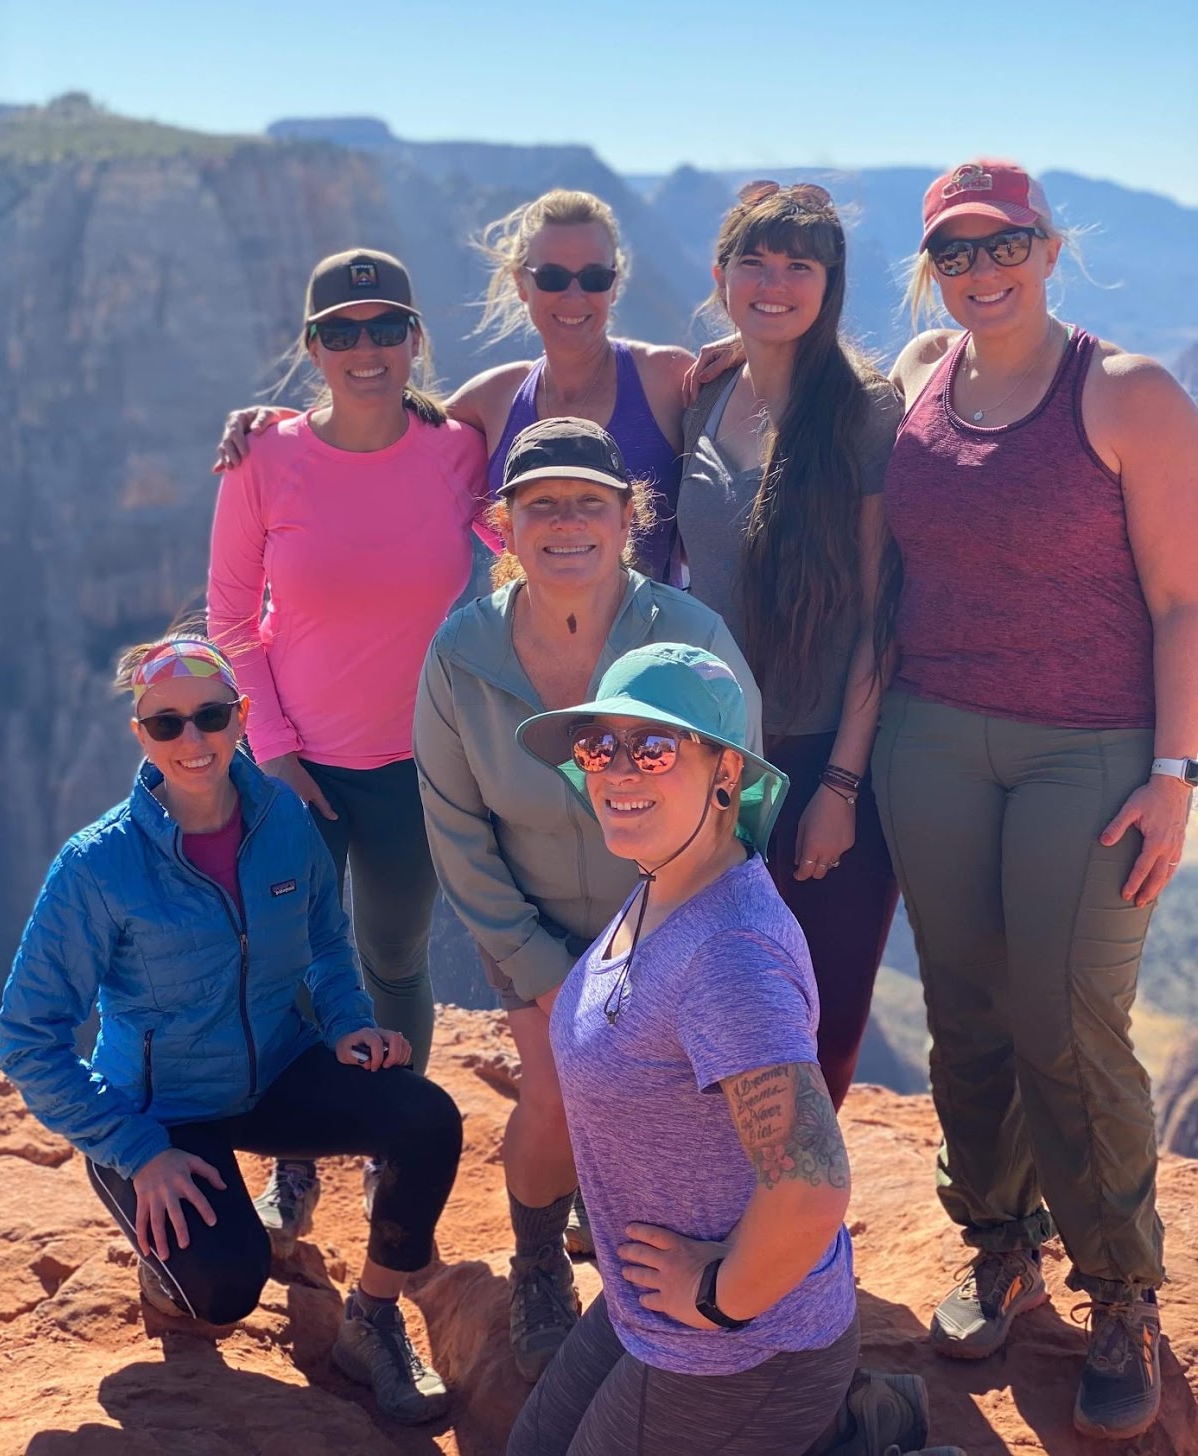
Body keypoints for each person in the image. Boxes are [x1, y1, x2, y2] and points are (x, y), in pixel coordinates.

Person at [873, 159, 1198, 1441]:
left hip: (1093, 747)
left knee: (1068, 1014)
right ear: (933, 270)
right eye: (955, 252)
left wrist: (1177, 775)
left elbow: (1183, 602)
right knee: (967, 1008)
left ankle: (1120, 1289)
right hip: (932, 735)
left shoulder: (1126, 392)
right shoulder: (917, 380)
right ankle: (996, 1242)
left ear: (1050, 247)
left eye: (1004, 243)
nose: (982, 269)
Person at [0, 636, 462, 1426]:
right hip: (163, 1110)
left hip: (276, 1072)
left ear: (242, 719)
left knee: (426, 1118)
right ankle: (147, 1230)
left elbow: (323, 935)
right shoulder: (96, 867)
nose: (193, 740)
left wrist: (349, 1023)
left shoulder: (283, 818)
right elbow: (28, 1035)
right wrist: (137, 1149)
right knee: (224, 1292)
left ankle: (371, 1321)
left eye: (212, 716)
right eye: (167, 724)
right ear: (141, 735)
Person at [507, 642, 941, 1456]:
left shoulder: (730, 955)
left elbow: (812, 1187)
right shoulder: (660, 886)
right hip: (648, 1301)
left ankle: (844, 1431)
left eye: (656, 747)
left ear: (727, 774)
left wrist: (717, 1297)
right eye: (599, 746)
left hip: (744, 1347)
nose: (619, 771)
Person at [412, 417, 764, 1384]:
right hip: (528, 924)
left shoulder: (689, 638)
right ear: (504, 527)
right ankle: (537, 1262)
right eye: (541, 504)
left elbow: (732, 801)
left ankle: (695, 1270)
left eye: (588, 502)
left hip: (678, 922)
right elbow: (456, 828)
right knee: (561, 1088)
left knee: (677, 1101)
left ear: (627, 518)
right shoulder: (461, 653)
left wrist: (661, 958)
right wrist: (536, 968)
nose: (565, 521)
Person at [206, 248, 486, 1254]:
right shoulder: (266, 458)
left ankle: (389, 1138)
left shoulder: (459, 449)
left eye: (384, 327)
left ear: (415, 337)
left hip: (415, 766)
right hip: (293, 771)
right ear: (312, 346)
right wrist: (275, 752)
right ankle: (298, 1146)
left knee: (393, 956)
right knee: (284, 963)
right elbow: (232, 617)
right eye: (341, 331)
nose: (364, 349)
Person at [677, 182, 901, 1108]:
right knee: (716, 1008)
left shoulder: (861, 415)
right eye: (754, 262)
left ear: (830, 283)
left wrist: (841, 788)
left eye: (798, 265)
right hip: (711, 760)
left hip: (820, 760)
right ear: (722, 274)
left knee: (817, 1024)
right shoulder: (703, 394)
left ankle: (801, 1241)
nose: (774, 283)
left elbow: (883, 613)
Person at [214, 190, 693, 582]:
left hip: (651, 667)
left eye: (593, 276)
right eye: (550, 277)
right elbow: (383, 429)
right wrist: (280, 427)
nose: (573, 295)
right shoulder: (490, 400)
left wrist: (738, 343)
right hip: (534, 669)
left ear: (616, 282)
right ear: (520, 283)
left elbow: (756, 406)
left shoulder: (666, 378)